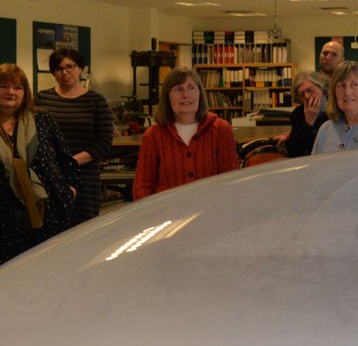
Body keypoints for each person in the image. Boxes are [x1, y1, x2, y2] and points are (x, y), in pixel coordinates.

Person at [0, 63, 79, 262]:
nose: (11, 92)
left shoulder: (42, 119)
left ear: (25, 93)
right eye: (3, 86)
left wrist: (69, 191)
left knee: (49, 271)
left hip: (50, 214)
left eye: (18, 87)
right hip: (5, 222)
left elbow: (66, 160)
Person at [133, 67, 238, 199]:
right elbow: (142, 187)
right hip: (167, 215)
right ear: (167, 96)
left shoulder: (222, 130)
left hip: (210, 214)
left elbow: (231, 182)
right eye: (178, 89)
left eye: (191, 87)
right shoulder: (153, 136)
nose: (186, 95)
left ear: (200, 92)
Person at [37, 48, 113, 225]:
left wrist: (70, 162)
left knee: (83, 231)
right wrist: (54, 166)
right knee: (51, 231)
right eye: (59, 68)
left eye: (70, 66)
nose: (65, 72)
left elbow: (104, 142)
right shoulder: (42, 99)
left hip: (85, 178)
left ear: (80, 68)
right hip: (50, 177)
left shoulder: (97, 101)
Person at [273, 71, 329, 157]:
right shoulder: (298, 113)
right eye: (302, 94)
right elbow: (293, 152)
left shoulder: (338, 109)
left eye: (309, 90)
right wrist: (308, 123)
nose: (306, 96)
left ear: (322, 87)